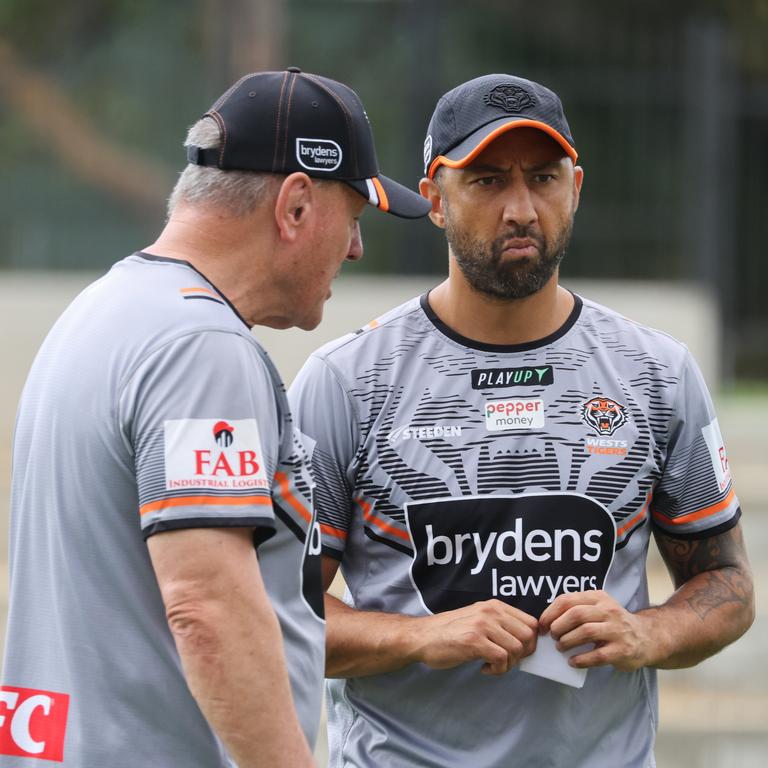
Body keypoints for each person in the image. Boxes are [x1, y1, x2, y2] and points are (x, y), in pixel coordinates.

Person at [288, 73, 755, 768]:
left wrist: (646, 633)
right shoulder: (347, 382)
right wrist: (422, 637)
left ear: (577, 187)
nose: (521, 209)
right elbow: (275, 619)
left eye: (543, 178)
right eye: (486, 181)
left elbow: (729, 587)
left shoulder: (656, 373)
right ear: (436, 199)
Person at [0, 67, 429, 767]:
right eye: (352, 218)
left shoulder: (104, 309)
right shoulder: (202, 348)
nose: (355, 248)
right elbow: (207, 607)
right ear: (294, 208)